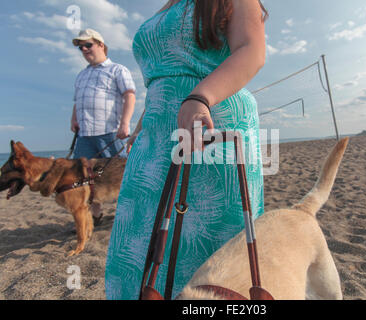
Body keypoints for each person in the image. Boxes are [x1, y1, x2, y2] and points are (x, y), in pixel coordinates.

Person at [105, 0, 268, 299]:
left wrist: (202, 96)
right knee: (137, 252)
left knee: (204, 257)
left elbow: (252, 50)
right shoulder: (171, 4)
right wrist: (144, 121)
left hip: (209, 125)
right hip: (155, 135)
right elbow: (163, 77)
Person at [71, 29, 136, 159]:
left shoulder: (117, 70)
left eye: (88, 45)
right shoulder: (81, 75)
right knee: (81, 177)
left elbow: (130, 96)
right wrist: (74, 119)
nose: (84, 49)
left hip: (110, 133)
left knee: (116, 175)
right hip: (84, 136)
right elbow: (78, 101)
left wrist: (125, 124)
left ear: (101, 45)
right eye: (81, 47)